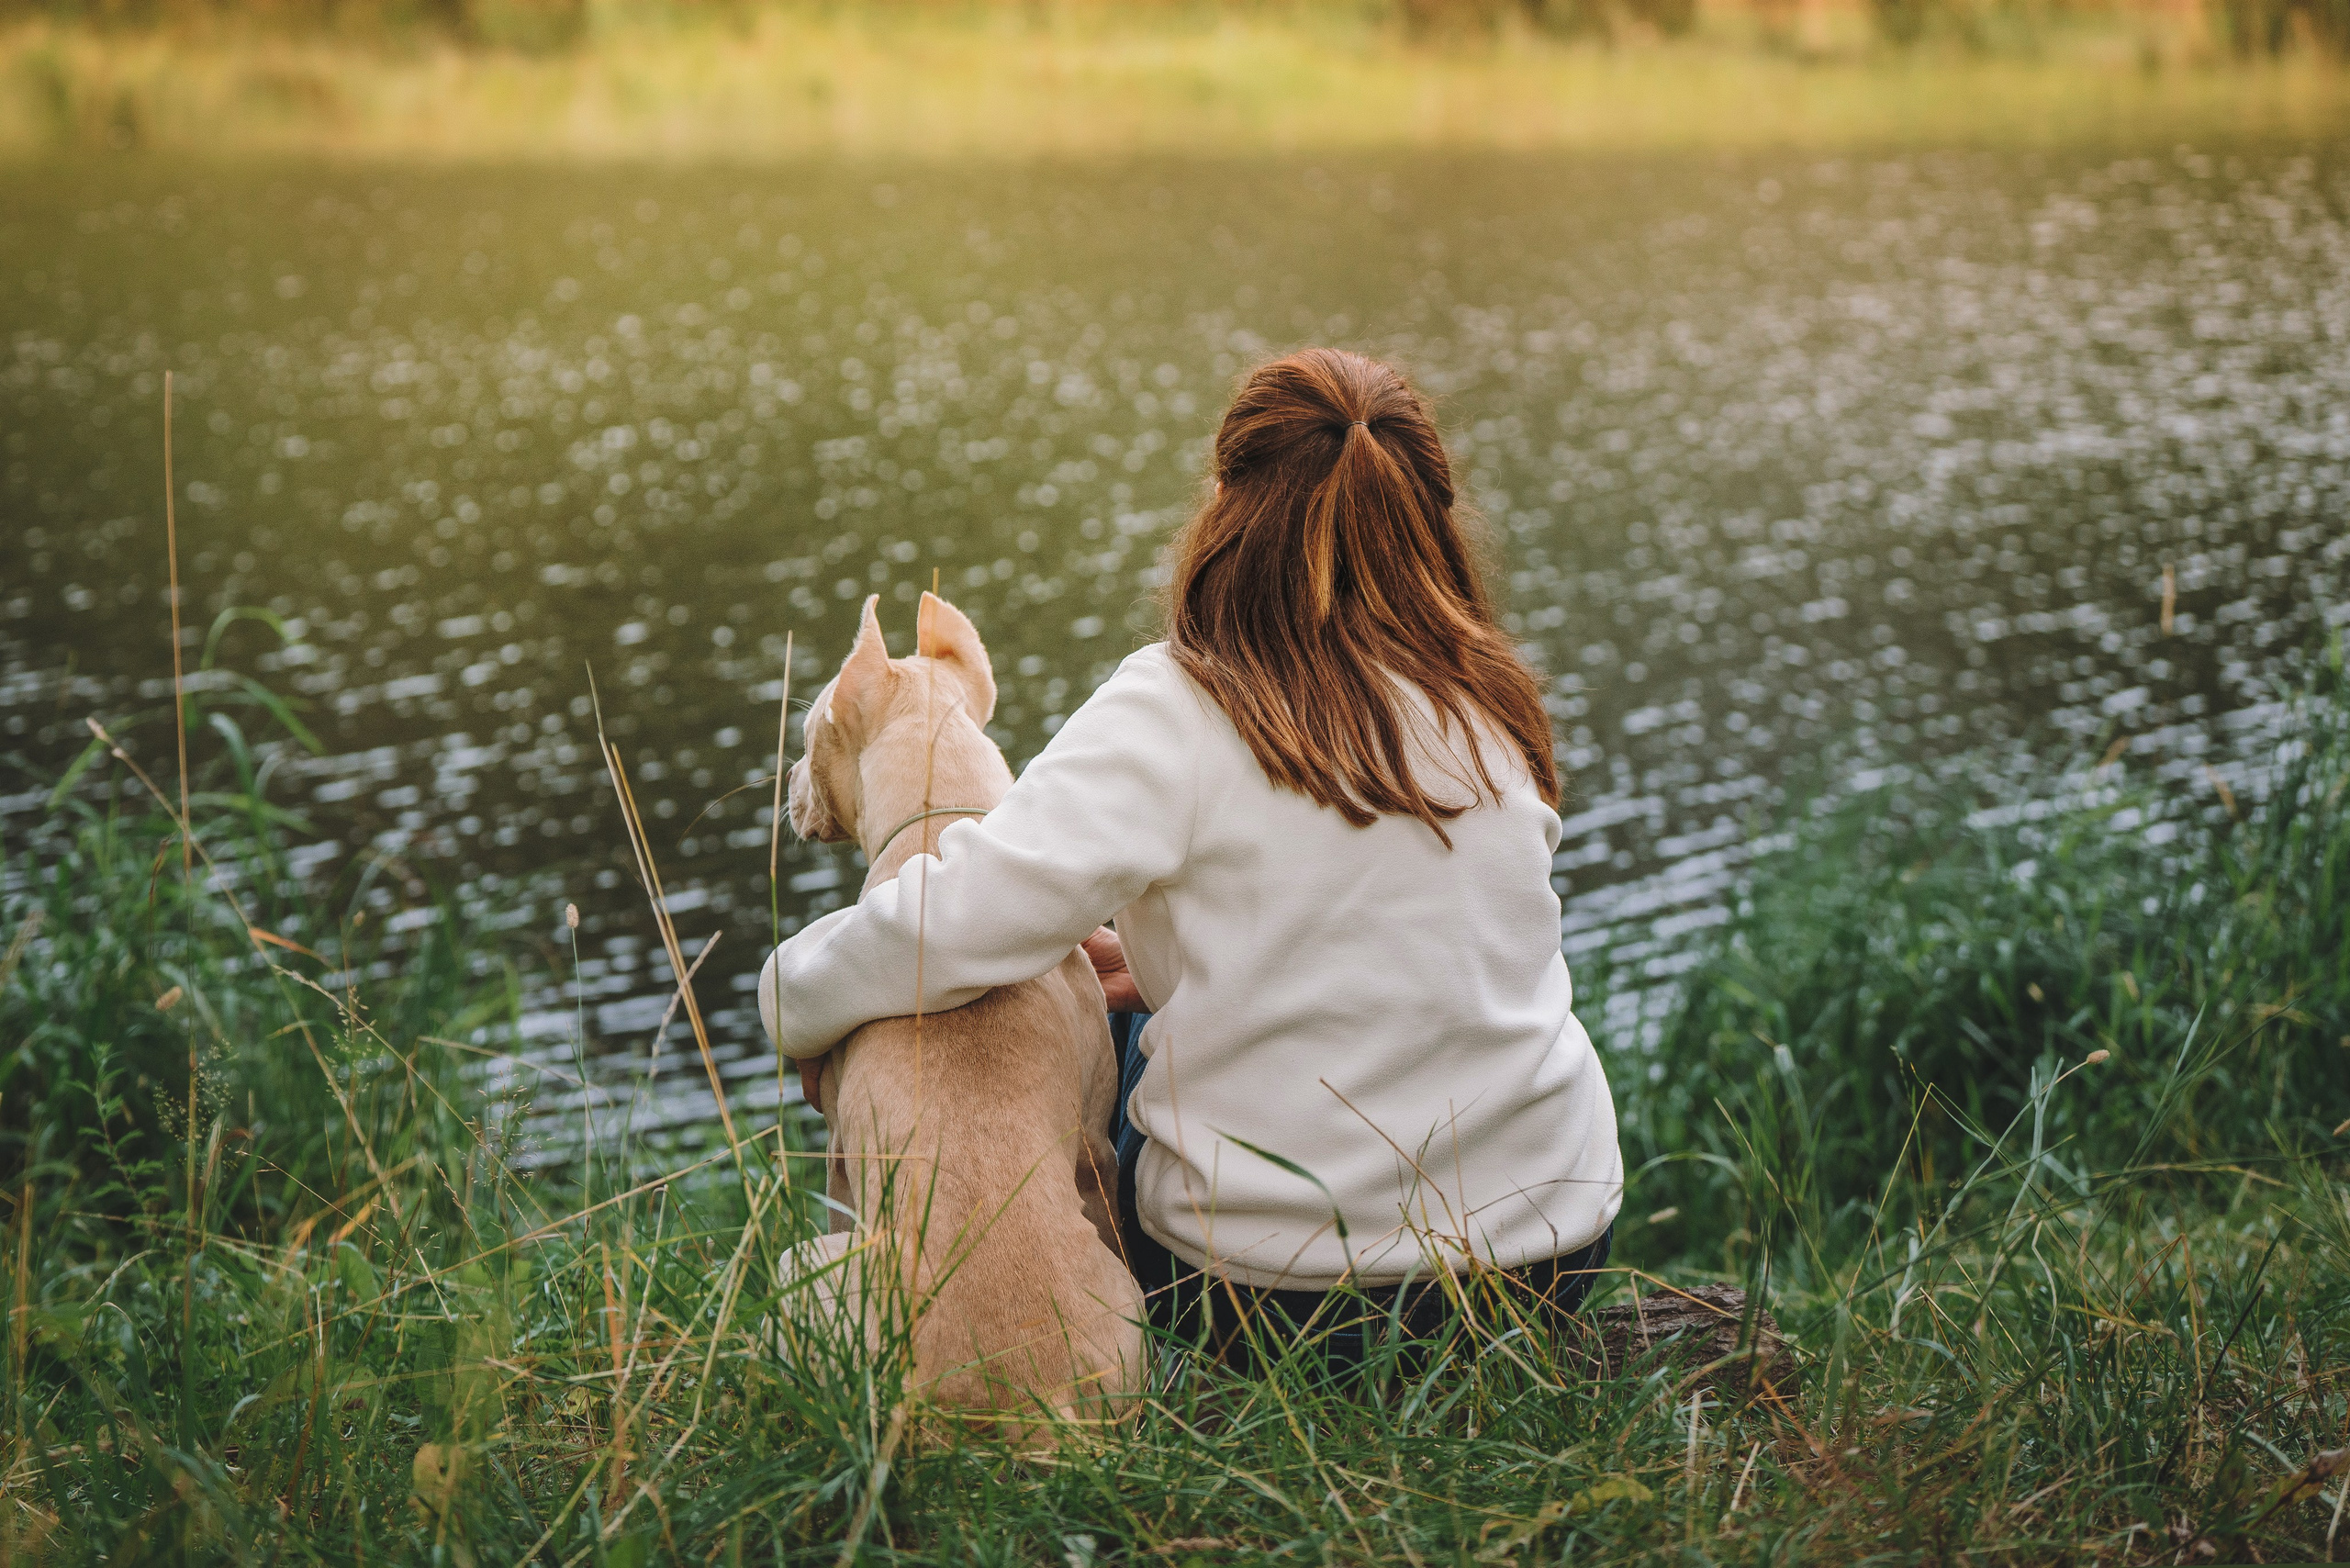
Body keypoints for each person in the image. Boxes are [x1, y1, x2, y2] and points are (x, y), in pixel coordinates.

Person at [758, 347, 1621, 1369]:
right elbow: (1414, 933)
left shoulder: (1181, 700)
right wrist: (1168, 972)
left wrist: (792, 995)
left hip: (1279, 1306)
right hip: (1547, 1262)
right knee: (1112, 1001)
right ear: (1430, 513)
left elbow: (948, 927)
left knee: (1075, 1045)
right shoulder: (1486, 691)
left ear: (1223, 501)